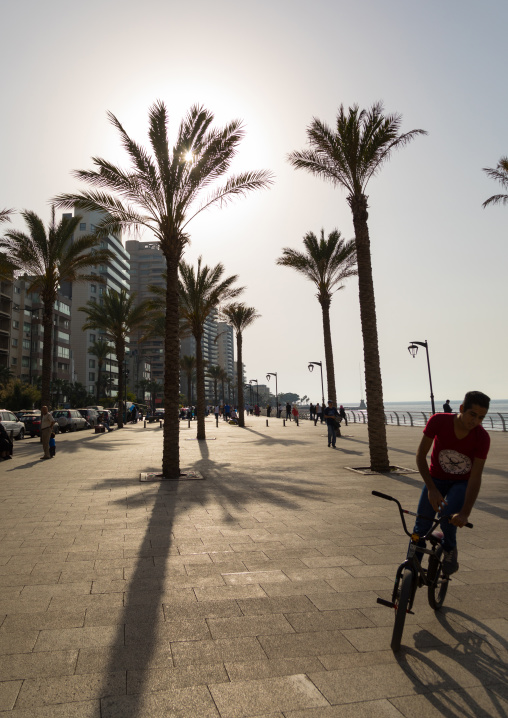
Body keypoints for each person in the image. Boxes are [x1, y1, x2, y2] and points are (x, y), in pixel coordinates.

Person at [412, 390, 491, 575]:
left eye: (481, 417)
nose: (475, 421)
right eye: (472, 414)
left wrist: (464, 513)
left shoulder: (482, 437)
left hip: (461, 483)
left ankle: (449, 549)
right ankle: (412, 566)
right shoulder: (439, 421)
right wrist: (431, 488)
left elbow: (475, 477)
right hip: (436, 479)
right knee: (421, 526)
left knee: (448, 518)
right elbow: (420, 455)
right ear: (462, 408)